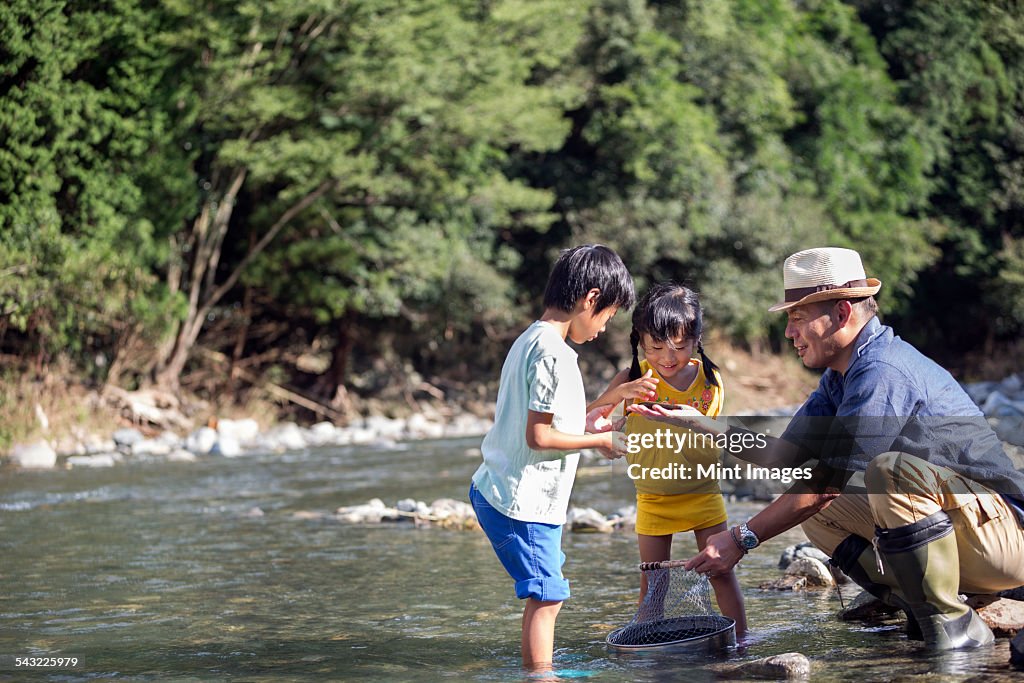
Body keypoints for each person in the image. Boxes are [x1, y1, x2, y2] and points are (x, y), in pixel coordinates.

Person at [630, 247, 1024, 651]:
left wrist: (742, 537)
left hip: (1006, 541)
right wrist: (700, 423)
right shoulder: (840, 376)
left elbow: (826, 485)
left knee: (886, 473)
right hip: (968, 536)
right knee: (818, 509)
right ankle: (917, 603)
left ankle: (952, 625)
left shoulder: (883, 370)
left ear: (841, 314)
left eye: (797, 319)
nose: (789, 333)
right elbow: (785, 456)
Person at [469, 244, 634, 672]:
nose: (602, 329)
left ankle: (538, 670)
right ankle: (540, 677)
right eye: (608, 317)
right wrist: (598, 444)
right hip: (519, 502)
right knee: (548, 593)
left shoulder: (533, 339)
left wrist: (607, 405)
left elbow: (558, 421)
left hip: (513, 492)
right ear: (590, 299)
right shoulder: (552, 354)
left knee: (547, 589)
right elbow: (540, 436)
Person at [590, 282, 747, 636]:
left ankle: (741, 641)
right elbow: (591, 424)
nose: (667, 357)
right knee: (653, 585)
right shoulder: (632, 378)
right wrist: (610, 427)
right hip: (653, 497)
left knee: (721, 572)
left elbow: (713, 436)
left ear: (697, 340)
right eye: (656, 347)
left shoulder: (710, 381)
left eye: (679, 346)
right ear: (640, 342)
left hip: (703, 493)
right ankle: (650, 648)